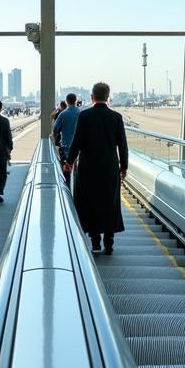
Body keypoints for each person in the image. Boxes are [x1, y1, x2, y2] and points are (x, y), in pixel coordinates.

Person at [64, 82, 128, 255]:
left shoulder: (85, 116)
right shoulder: (116, 117)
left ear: (92, 97)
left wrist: (69, 161)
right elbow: (122, 145)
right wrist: (124, 167)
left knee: (89, 202)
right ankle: (109, 242)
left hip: (88, 167)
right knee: (110, 202)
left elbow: (76, 142)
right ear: (108, 97)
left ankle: (95, 242)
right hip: (110, 167)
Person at [52, 93, 80, 185]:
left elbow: (55, 129)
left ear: (67, 102)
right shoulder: (81, 113)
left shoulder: (63, 114)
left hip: (66, 147)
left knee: (66, 171)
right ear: (75, 101)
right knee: (78, 171)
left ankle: (67, 190)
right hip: (80, 148)